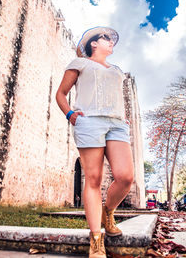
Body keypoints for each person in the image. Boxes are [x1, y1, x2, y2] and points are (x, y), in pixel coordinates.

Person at [56, 26, 134, 258]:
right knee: (93, 179)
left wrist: (122, 117)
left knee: (125, 177)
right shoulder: (79, 64)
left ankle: (107, 211)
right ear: (93, 44)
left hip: (117, 124)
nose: (111, 42)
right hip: (89, 122)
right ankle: (96, 239)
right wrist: (70, 114)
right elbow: (61, 93)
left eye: (112, 40)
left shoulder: (118, 70)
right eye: (106, 39)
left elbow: (114, 97)